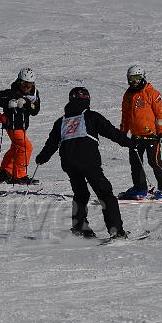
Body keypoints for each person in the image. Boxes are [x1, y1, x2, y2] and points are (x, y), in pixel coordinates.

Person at [35, 87, 136, 238]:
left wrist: (41, 158)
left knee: (81, 193)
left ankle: (79, 228)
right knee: (105, 193)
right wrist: (130, 143)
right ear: (87, 100)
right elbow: (112, 133)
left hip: (69, 163)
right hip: (88, 161)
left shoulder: (61, 121)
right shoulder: (92, 116)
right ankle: (116, 230)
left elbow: (51, 144)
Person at [118, 65, 162, 200]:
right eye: (131, 79)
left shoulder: (152, 93)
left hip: (151, 135)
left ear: (143, 77)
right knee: (135, 162)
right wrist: (122, 133)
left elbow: (160, 114)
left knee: (154, 161)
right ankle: (140, 188)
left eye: (137, 78)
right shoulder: (128, 95)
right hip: (135, 136)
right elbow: (125, 116)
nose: (134, 82)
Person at [0, 67, 41, 184]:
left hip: (23, 127)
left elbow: (35, 111)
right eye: (24, 84)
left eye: (29, 85)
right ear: (19, 82)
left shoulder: (34, 94)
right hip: (12, 125)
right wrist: (8, 103)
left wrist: (27, 103)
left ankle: (6, 171)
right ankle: (19, 175)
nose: (26, 87)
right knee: (25, 147)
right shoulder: (11, 92)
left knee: (16, 148)